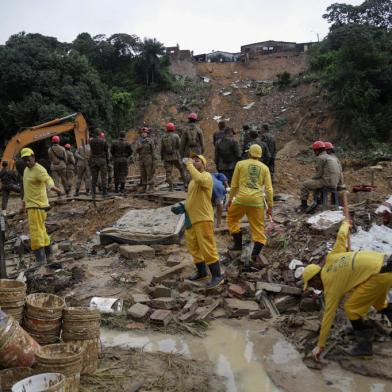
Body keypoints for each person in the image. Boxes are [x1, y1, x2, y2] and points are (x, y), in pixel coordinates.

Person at [303, 220, 392, 360]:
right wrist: (346, 224)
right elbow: (341, 238)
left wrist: (320, 345)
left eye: (313, 285)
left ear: (315, 278)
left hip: (378, 275)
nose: (315, 288)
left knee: (351, 308)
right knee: (380, 304)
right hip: (385, 264)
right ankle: (368, 330)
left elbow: (328, 316)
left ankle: (365, 348)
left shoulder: (331, 285)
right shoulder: (332, 258)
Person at [227, 144, 273, 271]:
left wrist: (230, 199)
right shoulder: (265, 168)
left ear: (249, 153)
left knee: (232, 218)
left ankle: (237, 245)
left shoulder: (240, 164)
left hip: (241, 199)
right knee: (258, 230)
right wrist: (270, 206)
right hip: (257, 202)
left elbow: (234, 184)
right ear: (260, 156)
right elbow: (269, 189)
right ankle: (254, 256)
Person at [183, 154, 224, 289]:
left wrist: (189, 165)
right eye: (192, 160)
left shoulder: (206, 176)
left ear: (204, 164)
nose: (194, 162)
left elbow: (199, 179)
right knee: (194, 247)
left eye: (197, 161)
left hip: (203, 219)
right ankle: (201, 272)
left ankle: (217, 276)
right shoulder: (192, 181)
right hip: (191, 219)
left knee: (207, 247)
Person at [20, 148, 61, 264]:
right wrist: (23, 205)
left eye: (28, 160)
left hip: (37, 206)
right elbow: (27, 190)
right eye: (25, 161)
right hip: (31, 205)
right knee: (41, 231)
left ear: (33, 157)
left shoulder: (39, 169)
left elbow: (48, 179)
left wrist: (52, 187)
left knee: (35, 233)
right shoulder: (26, 170)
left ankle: (40, 260)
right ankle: (49, 256)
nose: (27, 163)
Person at [299, 141, 341, 211]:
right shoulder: (332, 157)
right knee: (315, 184)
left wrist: (310, 179)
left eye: (314, 151)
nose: (314, 153)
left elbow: (319, 174)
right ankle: (318, 203)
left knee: (304, 184)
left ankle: (304, 206)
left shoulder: (320, 158)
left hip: (326, 182)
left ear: (317, 150)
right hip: (335, 183)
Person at [161, 123, 188, 191]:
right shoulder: (176, 136)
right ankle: (185, 184)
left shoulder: (163, 137)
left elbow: (162, 149)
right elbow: (180, 146)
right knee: (181, 169)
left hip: (167, 157)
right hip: (176, 156)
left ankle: (171, 187)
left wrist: (162, 157)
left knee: (168, 172)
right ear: (173, 128)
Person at [90, 129, 109, 197]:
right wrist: (107, 161)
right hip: (102, 160)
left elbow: (91, 151)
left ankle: (93, 192)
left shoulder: (91, 141)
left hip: (94, 160)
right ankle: (104, 192)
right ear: (99, 134)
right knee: (103, 176)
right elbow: (107, 152)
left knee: (94, 177)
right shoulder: (103, 141)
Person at [136, 127, 156, 193]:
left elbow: (153, 151)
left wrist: (154, 161)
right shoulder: (139, 141)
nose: (143, 134)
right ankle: (144, 187)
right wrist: (138, 148)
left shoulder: (150, 141)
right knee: (143, 173)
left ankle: (151, 187)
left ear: (147, 134)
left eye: (145, 133)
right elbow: (137, 151)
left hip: (148, 158)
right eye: (142, 133)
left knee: (149, 173)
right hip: (141, 159)